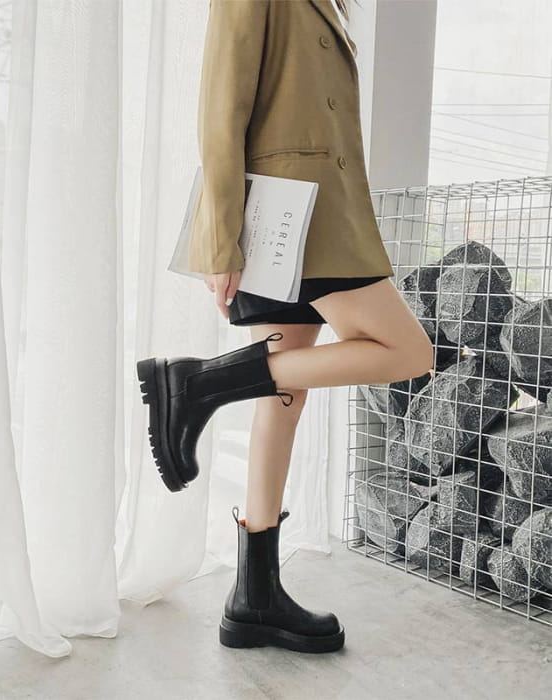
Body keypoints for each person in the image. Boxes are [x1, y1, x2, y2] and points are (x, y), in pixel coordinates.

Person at [136, 0, 434, 654]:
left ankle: (254, 596)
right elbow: (221, 106)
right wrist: (220, 240)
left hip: (312, 210)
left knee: (282, 398)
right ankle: (199, 382)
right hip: (292, 213)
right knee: (408, 350)